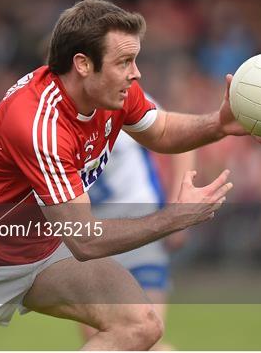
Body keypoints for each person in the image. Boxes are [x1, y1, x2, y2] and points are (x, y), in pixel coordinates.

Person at [0, 0, 261, 350]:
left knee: (140, 325)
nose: (135, 72)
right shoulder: (39, 125)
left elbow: (162, 130)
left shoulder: (113, 92)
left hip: (46, 250)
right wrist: (176, 216)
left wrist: (218, 123)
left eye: (134, 60)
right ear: (82, 64)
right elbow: (85, 240)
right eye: (124, 61)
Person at [81, 126, 195, 350]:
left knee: (145, 336)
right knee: (99, 338)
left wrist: (178, 206)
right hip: (91, 240)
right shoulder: (53, 118)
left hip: (141, 231)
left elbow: (182, 145)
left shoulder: (123, 104)